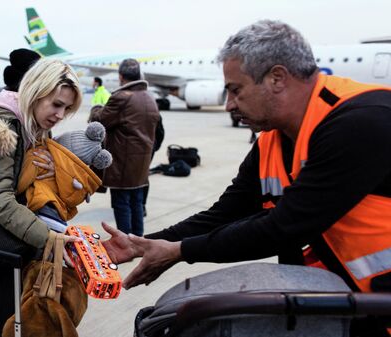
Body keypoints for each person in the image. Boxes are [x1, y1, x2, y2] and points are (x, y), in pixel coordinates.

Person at [102, 20, 391, 336]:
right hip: (346, 302)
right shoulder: (273, 138)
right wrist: (143, 244)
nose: (229, 105)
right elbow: (225, 213)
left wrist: (180, 251)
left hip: (378, 306)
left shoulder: (361, 121)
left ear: (276, 78)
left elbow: (285, 227)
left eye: (235, 90)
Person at [0, 57, 83, 337]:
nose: (60, 114)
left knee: (29, 324)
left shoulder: (30, 126)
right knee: (11, 326)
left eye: (66, 108)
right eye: (56, 104)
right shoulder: (1, 129)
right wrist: (49, 238)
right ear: (35, 91)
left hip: (21, 240)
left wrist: (51, 169)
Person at [89, 58, 160, 236]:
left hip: (123, 161)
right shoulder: (149, 98)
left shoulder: (122, 97)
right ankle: (137, 239)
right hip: (142, 161)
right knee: (136, 201)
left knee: (121, 202)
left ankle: (125, 242)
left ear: (121, 76)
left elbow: (100, 120)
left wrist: (96, 108)